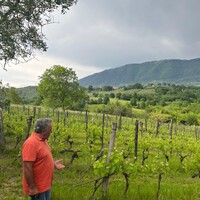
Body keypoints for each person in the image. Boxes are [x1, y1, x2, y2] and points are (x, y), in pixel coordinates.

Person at [22, 118, 65, 200]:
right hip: (37, 188)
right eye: (50, 130)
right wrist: (32, 187)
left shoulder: (43, 140)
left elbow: (42, 158)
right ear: (43, 131)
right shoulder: (31, 144)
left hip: (45, 185)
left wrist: (53, 163)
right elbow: (27, 168)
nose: (51, 132)